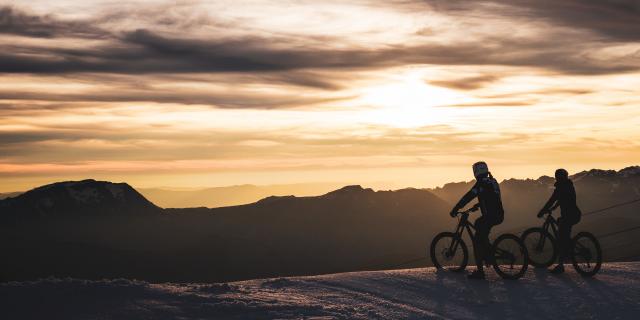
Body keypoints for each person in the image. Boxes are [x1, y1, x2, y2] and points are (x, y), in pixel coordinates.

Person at [449, 161, 505, 279]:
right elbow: (492, 198)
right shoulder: (492, 181)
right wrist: (478, 206)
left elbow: (468, 197)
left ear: (476, 172)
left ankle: (480, 272)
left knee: (476, 241)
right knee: (478, 225)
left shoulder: (480, 184)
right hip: (498, 214)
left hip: (490, 216)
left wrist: (456, 208)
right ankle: (488, 252)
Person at [538, 168, 581, 273]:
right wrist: (554, 207)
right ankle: (567, 250)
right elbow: (561, 199)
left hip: (569, 216)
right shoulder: (567, 185)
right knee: (563, 235)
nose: (558, 178)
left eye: (558, 177)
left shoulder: (562, 187)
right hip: (572, 215)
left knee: (561, 239)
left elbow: (553, 199)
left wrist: (543, 211)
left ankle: (561, 266)